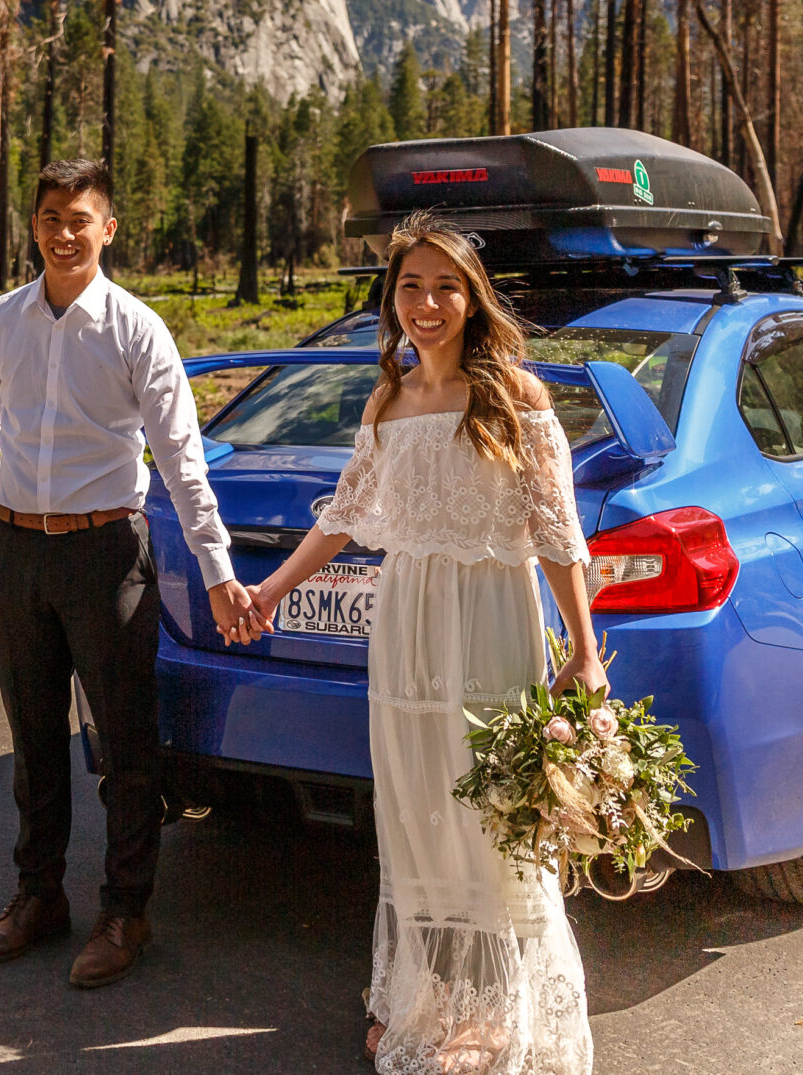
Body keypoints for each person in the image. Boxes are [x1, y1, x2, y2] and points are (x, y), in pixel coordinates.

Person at [250, 214, 604, 1074]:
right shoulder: (388, 399)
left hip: (491, 623)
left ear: (474, 298)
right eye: (410, 285)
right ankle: (432, 996)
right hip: (405, 628)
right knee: (417, 812)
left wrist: (586, 652)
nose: (427, 302)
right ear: (393, 298)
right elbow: (339, 518)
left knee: (490, 813)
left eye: (446, 285)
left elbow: (556, 534)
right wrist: (269, 589)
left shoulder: (517, 398)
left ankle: (494, 1009)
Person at [0, 158, 266, 989]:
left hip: (106, 555)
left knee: (128, 743)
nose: (64, 233)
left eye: (79, 219)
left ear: (108, 229)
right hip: (16, 555)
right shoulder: (2, 321)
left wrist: (215, 566)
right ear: (34, 224)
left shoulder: (136, 330)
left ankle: (125, 911)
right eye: (51, 216)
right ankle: (37, 898)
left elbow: (180, 460)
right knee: (33, 739)